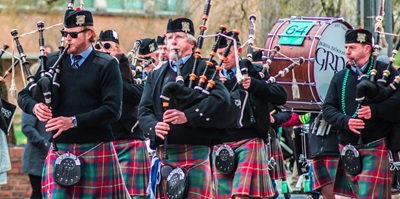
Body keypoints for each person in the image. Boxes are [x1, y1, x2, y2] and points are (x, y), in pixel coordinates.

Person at [17, 8, 130, 198]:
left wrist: (73, 121)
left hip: (96, 147)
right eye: (64, 33)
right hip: (60, 149)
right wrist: (35, 107)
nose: (67, 39)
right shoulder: (52, 62)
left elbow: (112, 110)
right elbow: (23, 95)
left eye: (73, 34)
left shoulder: (106, 64)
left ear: (89, 34)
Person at [138, 17, 232, 199]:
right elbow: (144, 110)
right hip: (165, 153)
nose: (173, 41)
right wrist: (153, 127)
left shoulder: (206, 68)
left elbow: (222, 101)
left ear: (192, 42)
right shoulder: (157, 74)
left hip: (195, 150)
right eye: (170, 37)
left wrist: (188, 116)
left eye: (179, 37)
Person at [322, 28, 400, 198]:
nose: (347, 52)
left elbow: (397, 103)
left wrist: (375, 111)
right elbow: (327, 109)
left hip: (374, 144)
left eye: (352, 47)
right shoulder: (340, 77)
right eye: (346, 47)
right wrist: (345, 121)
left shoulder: (385, 72)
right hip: (347, 148)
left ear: (367, 48)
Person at [212, 31, 287, 199]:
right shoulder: (213, 76)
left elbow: (281, 96)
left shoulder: (254, 71)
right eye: (219, 54)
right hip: (222, 142)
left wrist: (255, 84)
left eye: (228, 53)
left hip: (249, 139)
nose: (223, 58)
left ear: (238, 51)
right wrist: (216, 87)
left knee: (241, 196)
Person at [97, 29, 150, 199]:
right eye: (100, 48)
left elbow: (138, 95)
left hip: (129, 140)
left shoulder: (130, 69)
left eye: (109, 47)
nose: (104, 51)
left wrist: (113, 76)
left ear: (118, 50)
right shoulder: (93, 71)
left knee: (134, 196)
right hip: (104, 142)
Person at [21, 111, 51, 199]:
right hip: (37, 160)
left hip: (52, 157)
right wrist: (44, 143)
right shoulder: (32, 103)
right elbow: (27, 127)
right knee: (39, 193)